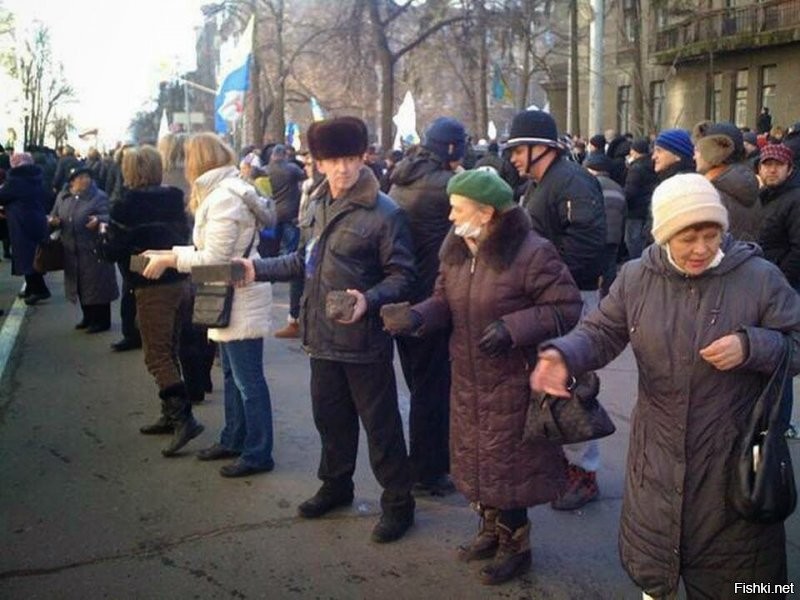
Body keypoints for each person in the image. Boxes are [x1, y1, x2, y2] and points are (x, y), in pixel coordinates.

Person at [532, 173, 800, 599]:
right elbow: (601, 331)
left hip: (732, 462)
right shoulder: (637, 277)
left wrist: (753, 345)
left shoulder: (760, 278)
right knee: (657, 577)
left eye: (711, 235)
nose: (701, 249)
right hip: (655, 459)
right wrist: (562, 354)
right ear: (664, 234)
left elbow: (795, 340)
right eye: (687, 237)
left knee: (745, 585)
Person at [383, 169, 581, 584]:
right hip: (468, 377)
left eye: (457, 209)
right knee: (477, 460)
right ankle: (489, 531)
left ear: (486, 211)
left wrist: (513, 328)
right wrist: (418, 315)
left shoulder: (532, 252)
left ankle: (516, 545)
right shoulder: (456, 247)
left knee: (508, 466)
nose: (451, 218)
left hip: (513, 379)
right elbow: (444, 300)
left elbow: (566, 307)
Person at [239, 116, 417, 543]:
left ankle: (398, 503)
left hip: (364, 340)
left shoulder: (384, 211)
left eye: (351, 159)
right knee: (330, 420)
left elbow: (403, 276)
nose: (343, 169)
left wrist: (368, 300)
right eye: (333, 160)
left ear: (363, 157)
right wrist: (254, 268)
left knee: (381, 426)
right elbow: (304, 260)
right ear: (317, 163)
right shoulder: (316, 203)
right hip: (321, 337)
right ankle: (336, 486)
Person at [141, 133, 276, 478]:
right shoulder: (224, 192)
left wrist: (170, 260)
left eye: (188, 158)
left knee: (248, 380)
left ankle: (258, 452)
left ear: (198, 161)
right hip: (230, 294)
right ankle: (234, 438)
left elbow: (215, 259)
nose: (184, 165)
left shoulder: (223, 198)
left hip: (238, 294)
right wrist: (168, 254)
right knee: (233, 376)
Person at [507, 109, 606, 511]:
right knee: (548, 383)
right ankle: (561, 464)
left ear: (541, 148)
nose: (512, 158)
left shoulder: (573, 183)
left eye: (518, 150)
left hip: (567, 300)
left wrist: (546, 285)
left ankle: (584, 474)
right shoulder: (538, 184)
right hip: (546, 299)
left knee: (569, 386)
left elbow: (585, 249)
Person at [98, 145, 204, 455]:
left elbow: (113, 250)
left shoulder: (125, 206)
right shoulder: (174, 198)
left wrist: (103, 240)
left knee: (156, 354)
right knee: (169, 348)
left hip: (151, 285)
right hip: (180, 280)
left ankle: (183, 417)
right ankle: (169, 414)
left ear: (130, 171)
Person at [388, 116, 466, 496]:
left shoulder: (402, 178)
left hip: (403, 297)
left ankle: (423, 464)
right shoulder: (445, 185)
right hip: (430, 298)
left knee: (420, 384)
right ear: (451, 149)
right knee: (432, 389)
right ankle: (427, 470)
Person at [49, 167, 119, 332]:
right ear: (72, 181)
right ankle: (87, 317)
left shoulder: (99, 196)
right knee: (80, 285)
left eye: (87, 177)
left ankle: (102, 320)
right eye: (80, 178)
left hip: (94, 248)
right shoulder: (63, 196)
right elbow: (53, 214)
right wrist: (53, 220)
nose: (85, 180)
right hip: (71, 249)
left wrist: (99, 219)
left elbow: (110, 216)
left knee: (97, 285)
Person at [693, 122, 762, 241]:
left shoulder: (712, 195)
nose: (695, 156)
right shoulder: (744, 184)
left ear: (715, 152)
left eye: (699, 150)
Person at [0, 153, 50, 304]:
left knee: (27, 257)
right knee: (32, 255)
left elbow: (2, 195)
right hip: (35, 218)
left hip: (21, 221)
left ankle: (39, 290)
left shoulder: (16, 179)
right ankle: (31, 288)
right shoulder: (35, 176)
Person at [584, 153, 625, 297]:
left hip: (596, 236)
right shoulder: (618, 187)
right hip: (614, 236)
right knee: (610, 271)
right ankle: (611, 298)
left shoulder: (588, 185)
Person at [624, 138, 657, 259]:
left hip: (635, 211)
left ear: (634, 152)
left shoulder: (636, 168)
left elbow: (630, 191)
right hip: (648, 208)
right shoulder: (653, 165)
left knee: (632, 241)